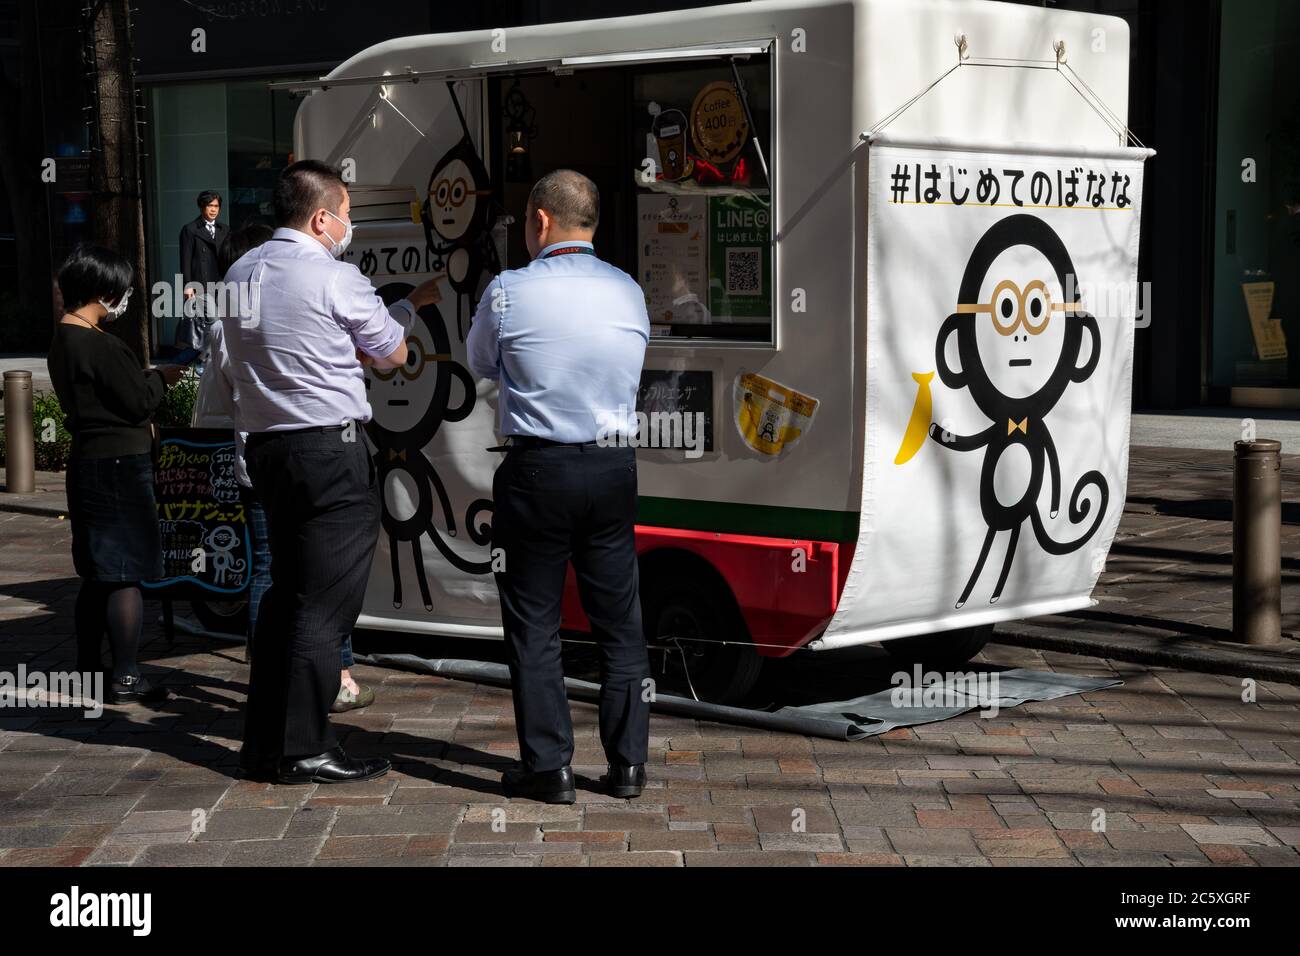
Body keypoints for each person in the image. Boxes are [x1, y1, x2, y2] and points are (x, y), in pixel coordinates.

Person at [222, 160, 441, 784]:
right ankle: (307, 744)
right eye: (345, 214)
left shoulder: (239, 271)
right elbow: (393, 354)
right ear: (322, 218)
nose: (348, 226)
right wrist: (399, 317)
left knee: (287, 595)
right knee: (324, 604)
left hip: (266, 449)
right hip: (329, 450)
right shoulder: (335, 277)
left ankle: (264, 742)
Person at [467, 169, 651, 804]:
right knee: (619, 623)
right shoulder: (630, 290)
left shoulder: (508, 290)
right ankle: (628, 766)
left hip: (537, 471)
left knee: (535, 623)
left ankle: (551, 768)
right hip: (612, 467)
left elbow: (482, 362)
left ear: (540, 221)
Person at [193, 221, 383, 714]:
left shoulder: (231, 307)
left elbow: (220, 396)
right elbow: (389, 349)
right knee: (321, 579)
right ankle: (326, 682)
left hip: (258, 458)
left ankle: (276, 677)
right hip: (305, 454)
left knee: (274, 572)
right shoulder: (309, 289)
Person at [47, 245, 186, 703]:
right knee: (125, 572)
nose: (124, 299)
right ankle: (127, 675)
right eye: (121, 291)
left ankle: (90, 669)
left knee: (98, 571)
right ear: (104, 291)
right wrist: (161, 379)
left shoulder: (63, 339)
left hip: (88, 462)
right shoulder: (100, 344)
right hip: (121, 466)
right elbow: (137, 401)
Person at [177, 190, 228, 350]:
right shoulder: (190, 229)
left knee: (219, 324)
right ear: (201, 207)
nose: (213, 209)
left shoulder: (224, 229)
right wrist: (187, 285)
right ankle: (207, 361)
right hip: (201, 285)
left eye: (216, 206)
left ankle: (208, 360)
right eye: (209, 206)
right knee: (214, 321)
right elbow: (185, 259)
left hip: (222, 284)